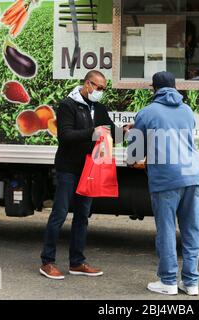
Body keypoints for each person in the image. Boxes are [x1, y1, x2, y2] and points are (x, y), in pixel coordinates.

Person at [40, 70, 127, 280]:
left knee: (82, 216)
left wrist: (124, 131)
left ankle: (77, 262)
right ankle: (47, 261)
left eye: (103, 89)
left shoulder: (99, 107)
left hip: (89, 169)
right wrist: (91, 133)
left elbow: (111, 132)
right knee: (59, 214)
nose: (101, 92)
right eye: (98, 87)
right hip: (68, 169)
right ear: (87, 84)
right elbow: (65, 136)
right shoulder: (68, 105)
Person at [128, 71, 199, 295]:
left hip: (166, 179)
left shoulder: (147, 112)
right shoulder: (187, 111)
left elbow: (134, 155)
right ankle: (191, 283)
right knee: (192, 231)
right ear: (174, 87)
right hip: (192, 176)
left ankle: (168, 281)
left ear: (154, 88)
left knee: (167, 230)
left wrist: (131, 137)